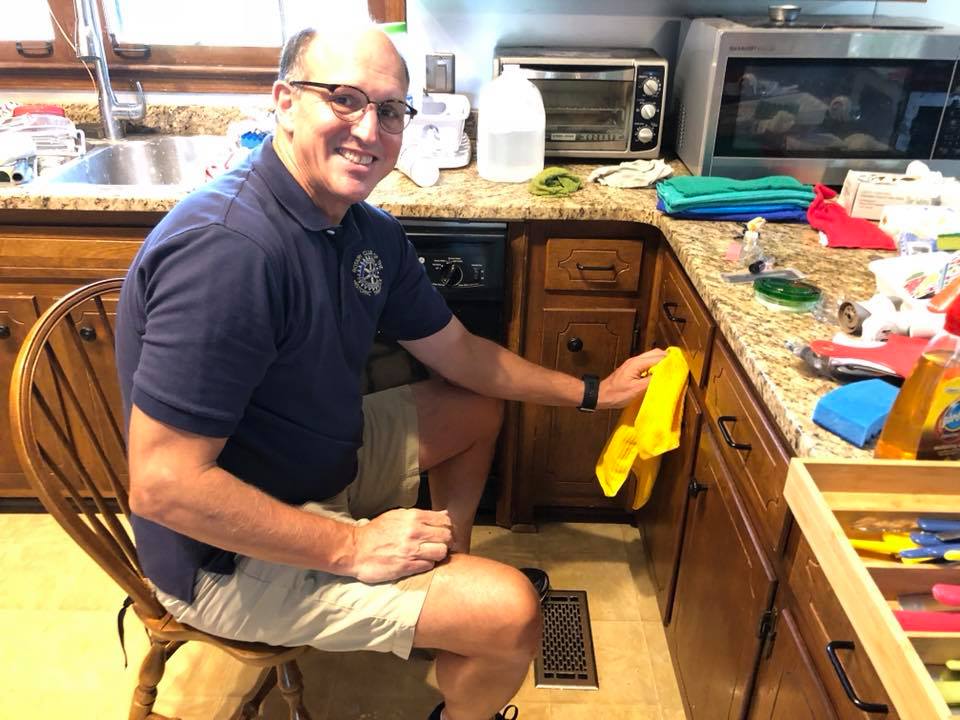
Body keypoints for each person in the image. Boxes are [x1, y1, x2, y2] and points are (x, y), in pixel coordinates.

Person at [116, 21, 665, 720]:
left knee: (472, 406)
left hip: (316, 461)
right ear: (284, 102)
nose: (369, 130)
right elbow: (165, 486)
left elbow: (462, 355)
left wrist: (594, 392)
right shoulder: (229, 253)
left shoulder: (362, 230)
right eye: (343, 99)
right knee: (512, 615)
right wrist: (353, 546)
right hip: (219, 555)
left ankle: (441, 588)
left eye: (389, 110)